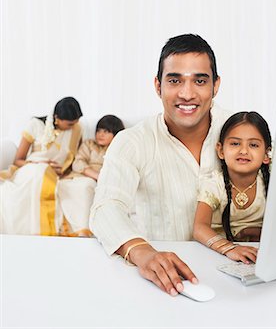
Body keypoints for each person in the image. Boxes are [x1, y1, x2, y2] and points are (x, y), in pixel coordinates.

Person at [90, 33, 231, 296]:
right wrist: (141, 252)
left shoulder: (243, 133)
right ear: (158, 86)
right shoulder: (132, 141)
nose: (187, 94)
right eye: (175, 80)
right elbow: (106, 207)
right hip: (161, 282)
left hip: (237, 276)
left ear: (216, 85)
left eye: (200, 81)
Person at [193, 111, 271, 264]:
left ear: (266, 154)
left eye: (253, 145)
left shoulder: (272, 182)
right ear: (221, 151)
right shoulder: (215, 184)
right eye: (235, 143)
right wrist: (230, 248)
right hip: (217, 255)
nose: (243, 151)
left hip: (259, 255)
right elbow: (199, 228)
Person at [0, 97, 83, 236]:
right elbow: (18, 160)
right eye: (69, 124)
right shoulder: (35, 125)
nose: (73, 126)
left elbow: (72, 161)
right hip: (31, 170)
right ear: (57, 118)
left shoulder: (77, 129)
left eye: (76, 122)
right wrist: (42, 165)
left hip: (57, 175)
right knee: (41, 171)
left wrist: (62, 171)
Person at [58, 115, 125, 236]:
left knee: (86, 186)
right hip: (77, 176)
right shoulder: (89, 144)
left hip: (94, 182)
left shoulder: (118, 149)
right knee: (59, 186)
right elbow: (78, 163)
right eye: (98, 130)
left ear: (116, 134)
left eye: (106, 131)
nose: (100, 134)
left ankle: (82, 230)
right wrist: (96, 175)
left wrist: (101, 178)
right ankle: (61, 228)